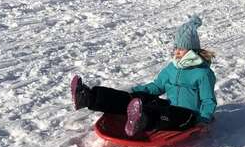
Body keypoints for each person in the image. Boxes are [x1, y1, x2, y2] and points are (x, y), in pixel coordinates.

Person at [70, 15, 217, 137]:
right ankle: (88, 97)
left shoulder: (203, 73)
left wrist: (204, 120)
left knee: (159, 113)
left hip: (188, 117)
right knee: (137, 100)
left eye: (181, 49)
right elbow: (157, 86)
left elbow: (208, 100)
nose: (177, 52)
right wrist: (135, 93)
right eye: (176, 48)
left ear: (193, 51)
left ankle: (142, 120)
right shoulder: (172, 68)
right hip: (168, 110)